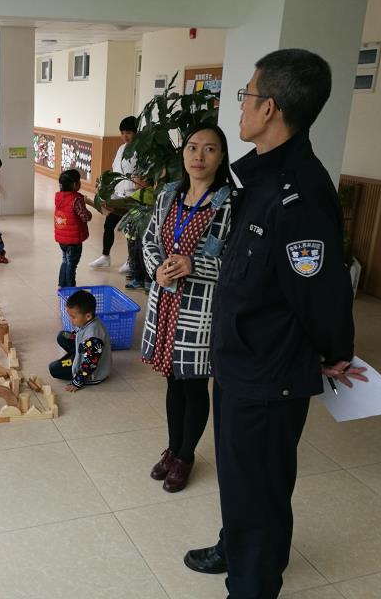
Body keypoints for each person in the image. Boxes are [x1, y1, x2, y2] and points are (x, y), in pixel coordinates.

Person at [182, 49, 368, 598]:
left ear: (269, 109)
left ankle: (253, 584)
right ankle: (233, 546)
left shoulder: (300, 194)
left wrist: (336, 352)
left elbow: (324, 292)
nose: (240, 106)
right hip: (239, 359)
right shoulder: (260, 178)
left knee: (259, 487)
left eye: (247, 95)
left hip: (269, 372)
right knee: (238, 475)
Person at [140, 123, 234, 493]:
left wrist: (195, 265)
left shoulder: (229, 204)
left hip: (201, 310)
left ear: (221, 157)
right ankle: (173, 447)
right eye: (193, 147)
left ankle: (186, 456)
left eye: (210, 149)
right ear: (183, 153)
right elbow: (150, 240)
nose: (199, 156)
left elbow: (238, 262)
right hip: (166, 302)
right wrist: (156, 268)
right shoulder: (168, 196)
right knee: (172, 380)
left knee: (193, 384)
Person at [89, 116, 137, 271]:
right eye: (122, 133)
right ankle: (105, 257)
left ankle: (131, 261)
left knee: (131, 231)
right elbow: (116, 170)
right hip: (119, 195)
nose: (125, 136)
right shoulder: (121, 148)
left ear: (136, 132)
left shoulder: (141, 150)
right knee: (109, 224)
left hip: (134, 197)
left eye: (128, 132)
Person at [49, 290, 112, 392]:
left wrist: (77, 382)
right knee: (62, 336)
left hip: (91, 372)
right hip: (83, 351)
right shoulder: (87, 321)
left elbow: (90, 364)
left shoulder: (94, 337)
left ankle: (75, 361)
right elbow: (80, 333)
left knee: (53, 368)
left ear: (88, 316)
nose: (70, 320)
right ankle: (75, 357)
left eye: (73, 317)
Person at [54, 169, 91, 288]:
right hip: (74, 240)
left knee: (65, 261)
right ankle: (70, 289)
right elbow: (85, 217)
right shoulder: (76, 199)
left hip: (62, 239)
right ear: (75, 184)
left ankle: (62, 285)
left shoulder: (59, 197)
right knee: (72, 265)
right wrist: (89, 214)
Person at [123, 176, 156, 292]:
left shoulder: (144, 193)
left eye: (137, 177)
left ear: (145, 180)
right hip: (140, 231)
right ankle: (142, 280)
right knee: (140, 255)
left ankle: (143, 280)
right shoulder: (150, 193)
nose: (133, 179)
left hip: (143, 231)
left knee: (140, 256)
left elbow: (125, 206)